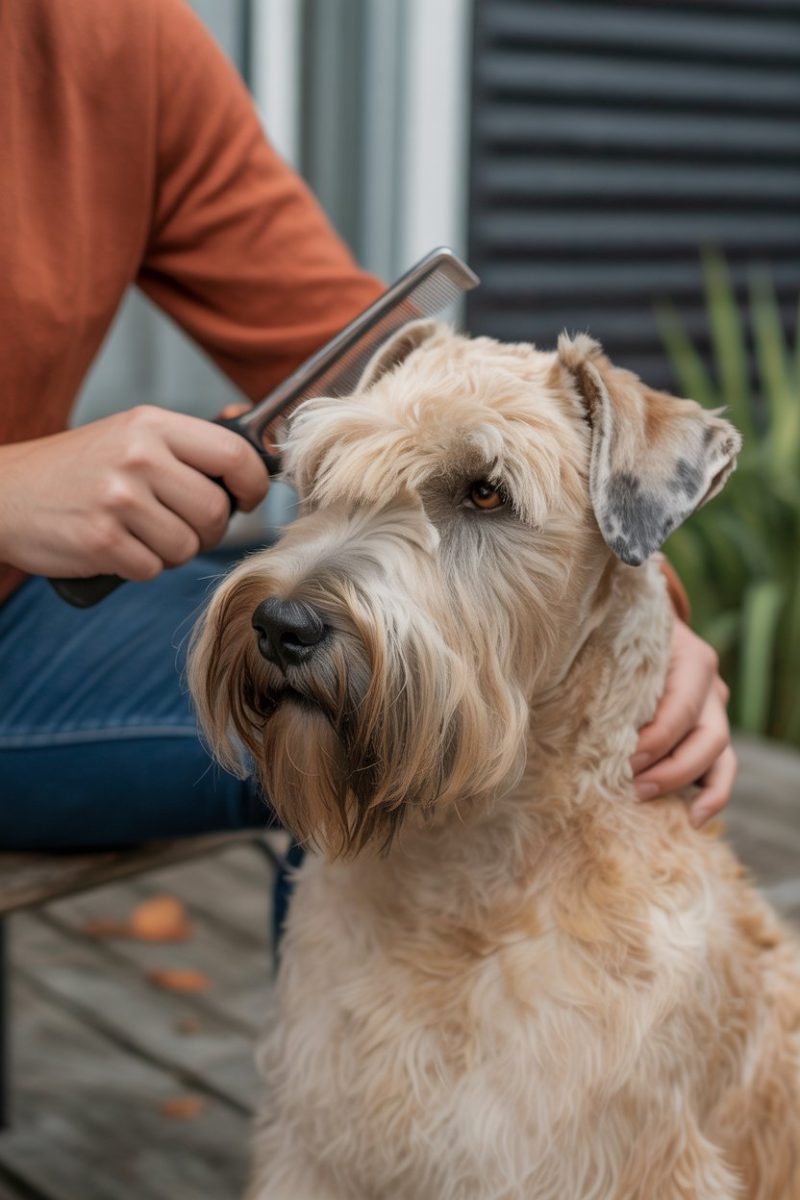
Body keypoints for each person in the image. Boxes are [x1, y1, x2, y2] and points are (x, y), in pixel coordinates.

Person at [0, 0, 735, 850]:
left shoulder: (114, 34)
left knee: (402, 717)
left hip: (26, 612)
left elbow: (344, 352)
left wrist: (646, 627)